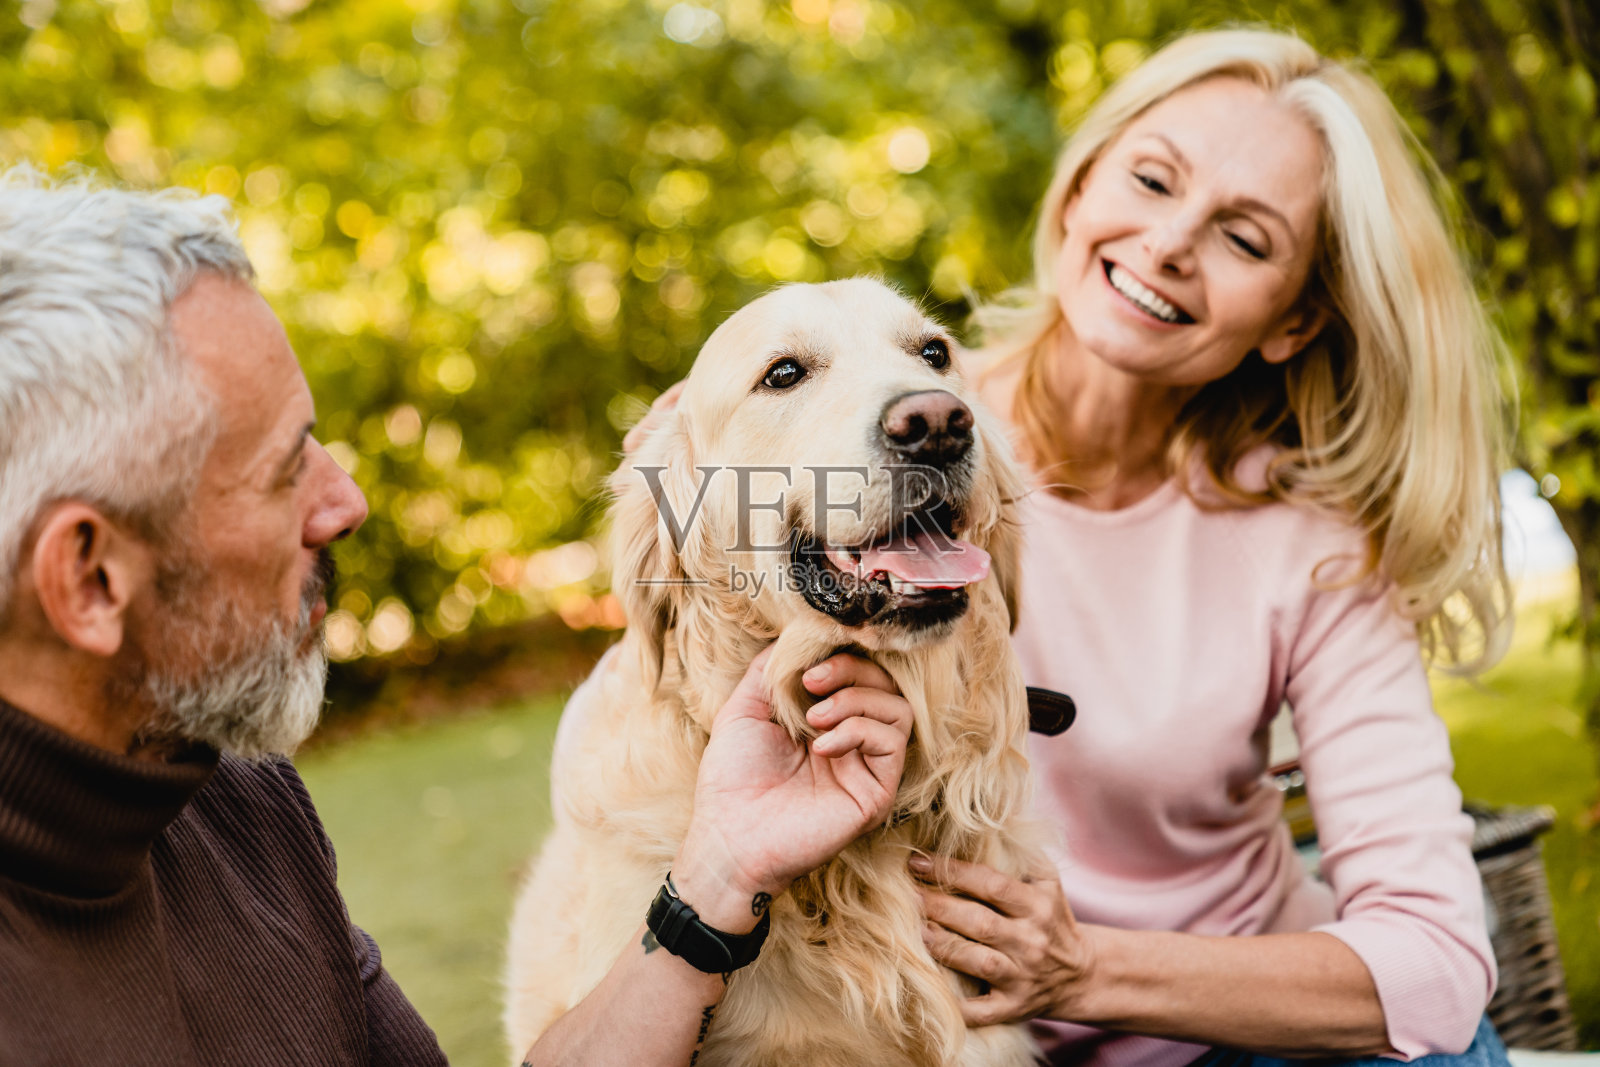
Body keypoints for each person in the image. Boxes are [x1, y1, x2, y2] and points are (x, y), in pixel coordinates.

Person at [0, 170, 913, 1066]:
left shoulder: (241, 805)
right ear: (89, 579)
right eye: (284, 470)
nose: (345, 501)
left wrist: (716, 877)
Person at [905, 28, 1516, 1067]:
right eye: (1150, 179)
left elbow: (1435, 962)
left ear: (1292, 319)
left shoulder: (1313, 546)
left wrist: (1083, 967)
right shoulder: (899, 433)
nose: (1169, 242)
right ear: (1080, 184)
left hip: (1231, 1037)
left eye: (1245, 239)